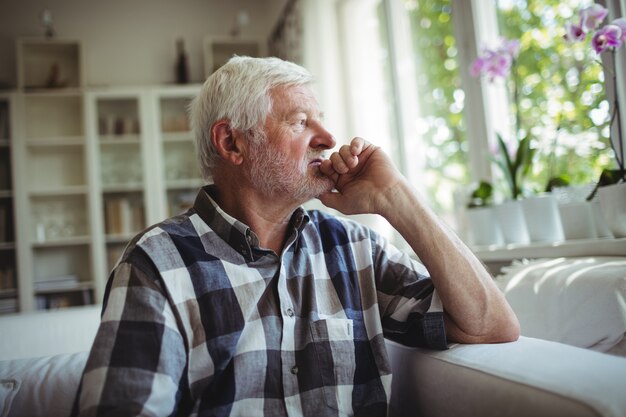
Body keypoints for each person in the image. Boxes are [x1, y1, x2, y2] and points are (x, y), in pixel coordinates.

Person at [73, 56, 519, 417]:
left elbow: (490, 325)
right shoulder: (157, 264)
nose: (327, 139)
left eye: (321, 121)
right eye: (300, 121)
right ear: (232, 143)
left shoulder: (351, 247)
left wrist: (394, 197)